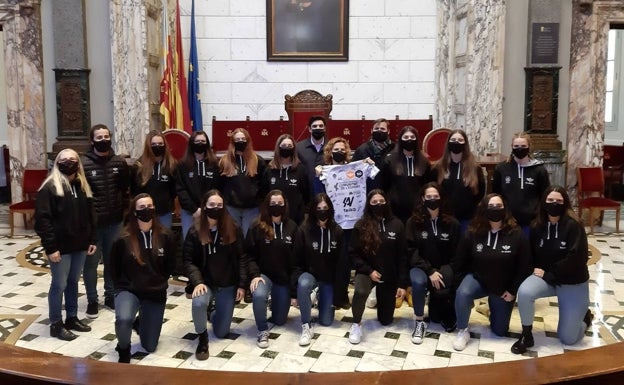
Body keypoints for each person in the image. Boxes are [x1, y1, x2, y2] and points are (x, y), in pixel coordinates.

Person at [511, 186, 593, 354]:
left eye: (559, 201)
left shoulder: (574, 226)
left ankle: (585, 318)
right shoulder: (536, 226)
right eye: (550, 201)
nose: (554, 204)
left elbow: (577, 258)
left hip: (572, 281)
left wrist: (551, 273)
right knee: (525, 292)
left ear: (565, 204)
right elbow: (531, 254)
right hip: (547, 278)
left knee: (568, 338)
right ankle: (526, 336)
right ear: (543, 203)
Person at [452, 193, 531, 351]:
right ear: (484, 209)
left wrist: (512, 290)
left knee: (499, 332)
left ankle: (489, 309)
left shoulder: (516, 234)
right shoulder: (473, 231)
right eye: (491, 207)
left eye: (498, 206)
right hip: (478, 280)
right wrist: (460, 284)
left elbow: (525, 266)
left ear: (505, 209)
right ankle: (462, 331)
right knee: (463, 292)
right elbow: (460, 260)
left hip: (503, 287)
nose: (495, 210)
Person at [35, 149, 97, 341]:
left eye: (72, 159)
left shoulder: (82, 185)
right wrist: (51, 247)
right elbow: (42, 221)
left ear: (78, 163)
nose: (69, 162)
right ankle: (56, 323)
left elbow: (90, 215)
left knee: (72, 283)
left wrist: (92, 239)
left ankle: (72, 317)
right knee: (59, 284)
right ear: (57, 163)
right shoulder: (49, 188)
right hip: (60, 247)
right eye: (64, 159)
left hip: (79, 245)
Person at [110, 193, 176, 363]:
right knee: (124, 319)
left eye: (150, 206)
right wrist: (120, 289)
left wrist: (159, 281)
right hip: (129, 290)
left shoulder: (166, 236)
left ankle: (141, 322)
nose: (147, 210)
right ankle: (123, 348)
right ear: (134, 212)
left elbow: (170, 266)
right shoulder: (122, 239)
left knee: (150, 346)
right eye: (142, 207)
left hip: (155, 293)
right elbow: (113, 268)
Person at [315, 137, 379, 309]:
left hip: (356, 222)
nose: (340, 151)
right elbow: (317, 194)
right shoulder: (326, 171)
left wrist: (370, 165)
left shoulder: (357, 168)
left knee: (352, 260)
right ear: (329, 151)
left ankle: (361, 293)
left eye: (343, 148)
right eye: (336, 148)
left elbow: (374, 180)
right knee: (339, 262)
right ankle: (338, 296)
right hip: (335, 223)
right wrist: (318, 175)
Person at [183, 189, 247, 360]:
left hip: (227, 283)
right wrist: (197, 282)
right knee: (198, 303)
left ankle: (211, 312)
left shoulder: (233, 228)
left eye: (219, 205)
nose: (216, 208)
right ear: (204, 207)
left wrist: (241, 284)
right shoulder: (194, 231)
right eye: (212, 205)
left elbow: (242, 257)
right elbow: (188, 261)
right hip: (206, 282)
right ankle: (202, 338)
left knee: (221, 332)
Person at [81, 124, 130, 318]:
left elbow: (125, 190)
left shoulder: (119, 162)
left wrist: (124, 214)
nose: (103, 140)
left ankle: (110, 295)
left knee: (112, 261)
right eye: (99, 137)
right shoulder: (83, 164)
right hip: (92, 225)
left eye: (106, 137)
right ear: (92, 140)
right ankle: (92, 300)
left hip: (115, 221)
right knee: (91, 264)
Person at [347, 189, 407, 344]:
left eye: (381, 201)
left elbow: (402, 256)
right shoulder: (361, 225)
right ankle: (356, 324)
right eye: (374, 202)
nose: (378, 205)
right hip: (368, 271)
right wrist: (369, 270)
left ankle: (377, 298)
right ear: (368, 204)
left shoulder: (398, 225)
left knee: (386, 320)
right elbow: (353, 253)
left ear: (387, 202)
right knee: (360, 291)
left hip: (389, 274)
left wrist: (402, 284)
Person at [406, 182, 461, 344]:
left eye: (435, 197)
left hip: (444, 266)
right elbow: (411, 251)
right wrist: (429, 271)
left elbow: (457, 253)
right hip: (421, 267)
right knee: (417, 282)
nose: (432, 200)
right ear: (423, 199)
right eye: (428, 197)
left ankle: (444, 310)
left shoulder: (452, 223)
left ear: (441, 198)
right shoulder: (413, 222)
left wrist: (445, 271)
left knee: (437, 318)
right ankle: (419, 321)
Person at [246, 190, 298, 348]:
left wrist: (293, 290)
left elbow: (296, 260)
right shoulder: (257, 225)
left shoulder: (292, 227)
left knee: (280, 321)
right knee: (259, 294)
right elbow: (249, 255)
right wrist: (254, 275)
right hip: (264, 275)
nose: (276, 206)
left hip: (283, 278)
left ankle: (275, 302)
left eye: (280, 204)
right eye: (273, 204)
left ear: (285, 205)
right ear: (267, 205)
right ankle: (262, 330)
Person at [292, 192, 344, 346]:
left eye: (325, 207)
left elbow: (341, 263)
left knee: (327, 321)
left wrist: (339, 292)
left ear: (330, 209)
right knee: (304, 284)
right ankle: (306, 325)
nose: (322, 211)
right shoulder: (303, 230)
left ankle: (320, 297)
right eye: (319, 208)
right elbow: (295, 261)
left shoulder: (338, 231)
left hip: (328, 279)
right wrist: (294, 292)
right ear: (314, 210)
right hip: (310, 274)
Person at [492, 132, 550, 235]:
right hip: (507, 222)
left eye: (523, 146)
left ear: (529, 147)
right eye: (516, 146)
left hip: (531, 223)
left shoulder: (539, 170)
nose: (520, 149)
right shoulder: (501, 169)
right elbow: (495, 194)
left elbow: (545, 195)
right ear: (512, 147)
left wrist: (538, 217)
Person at [432, 129, 485, 233]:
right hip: (444, 218)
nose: (456, 142)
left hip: (468, 219)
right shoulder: (438, 168)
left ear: (465, 144)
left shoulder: (475, 168)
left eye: (460, 140)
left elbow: (480, 193)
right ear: (448, 143)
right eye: (453, 139)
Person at [382, 125, 434, 223]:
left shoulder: (424, 161)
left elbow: (427, 185)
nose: (409, 140)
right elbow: (384, 185)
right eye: (405, 137)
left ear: (417, 140)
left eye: (412, 137)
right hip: (394, 212)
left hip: (418, 212)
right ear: (400, 140)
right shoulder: (390, 160)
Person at [219, 127, 267, 236]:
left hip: (252, 208)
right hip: (231, 207)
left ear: (248, 140)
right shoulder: (225, 161)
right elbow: (220, 185)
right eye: (237, 139)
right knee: (232, 237)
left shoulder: (258, 161)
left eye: (243, 139)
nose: (240, 142)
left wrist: (259, 201)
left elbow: (263, 184)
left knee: (249, 237)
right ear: (232, 142)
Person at [175, 130, 221, 240]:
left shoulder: (214, 164)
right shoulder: (183, 164)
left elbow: (217, 188)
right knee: (189, 241)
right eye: (197, 141)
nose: (200, 143)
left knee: (208, 240)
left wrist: (207, 208)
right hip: (189, 212)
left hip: (210, 210)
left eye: (203, 141)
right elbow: (181, 189)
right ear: (191, 143)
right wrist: (194, 209)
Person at [131, 130, 177, 229]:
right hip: (144, 213)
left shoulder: (172, 165)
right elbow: (135, 191)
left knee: (163, 242)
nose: (157, 146)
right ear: (148, 146)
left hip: (164, 213)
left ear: (165, 145)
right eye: (154, 144)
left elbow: (174, 191)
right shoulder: (139, 166)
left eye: (160, 144)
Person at [262, 134, 309, 224]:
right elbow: (264, 194)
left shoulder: (300, 169)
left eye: (289, 146)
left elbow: (306, 195)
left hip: (296, 218)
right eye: (283, 146)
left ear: (294, 149)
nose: (286, 148)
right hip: (273, 218)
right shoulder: (269, 170)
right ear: (278, 148)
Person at [352, 118, 395, 192]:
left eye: (382, 129)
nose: (379, 131)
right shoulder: (361, 150)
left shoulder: (395, 149)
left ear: (388, 131)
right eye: (376, 128)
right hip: (367, 194)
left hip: (389, 194)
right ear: (371, 131)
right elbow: (353, 171)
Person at [296, 115, 327, 198]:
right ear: (309, 129)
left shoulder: (332, 147)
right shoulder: (299, 148)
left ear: (325, 128)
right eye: (314, 126)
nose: (318, 128)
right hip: (305, 194)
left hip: (327, 194)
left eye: (321, 126)